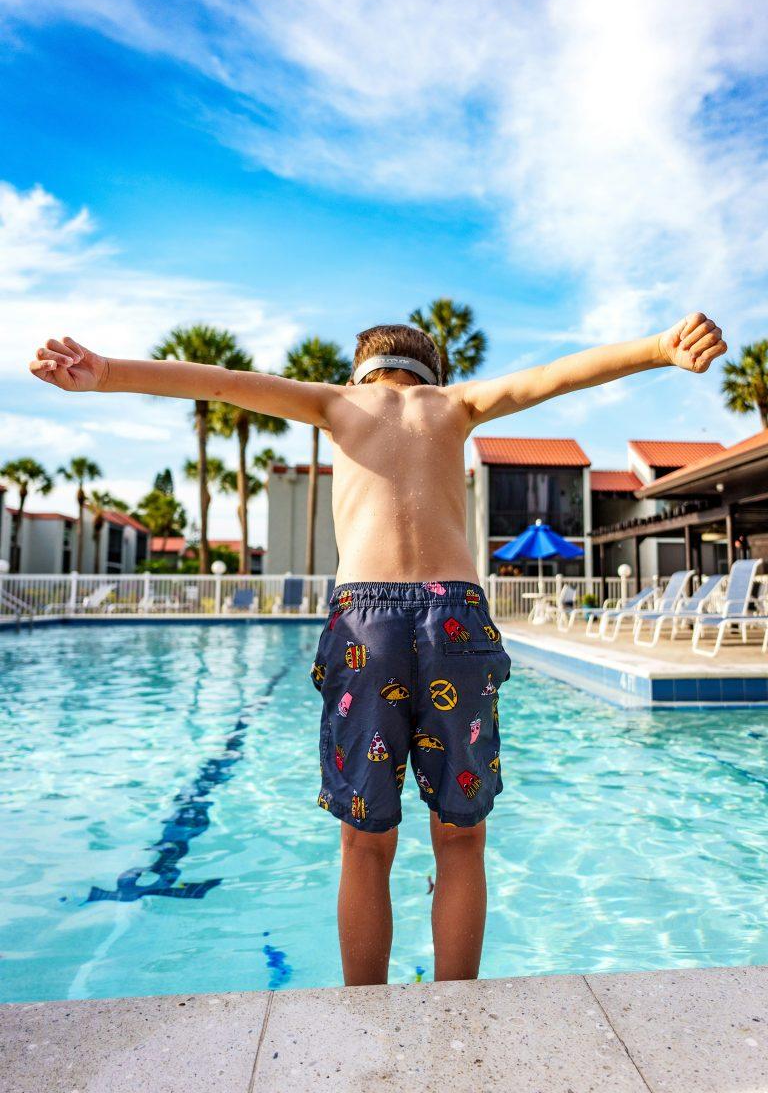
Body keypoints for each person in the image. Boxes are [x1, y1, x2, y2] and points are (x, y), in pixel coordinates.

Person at [29, 312, 726, 986]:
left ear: (361, 372)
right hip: (456, 619)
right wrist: (661, 346)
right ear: (431, 372)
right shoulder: (455, 403)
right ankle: (457, 1012)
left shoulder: (338, 402)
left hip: (366, 625)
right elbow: (553, 377)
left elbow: (219, 382)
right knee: (461, 840)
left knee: (364, 847)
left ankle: (363, 1018)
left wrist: (105, 372)